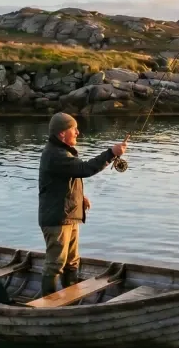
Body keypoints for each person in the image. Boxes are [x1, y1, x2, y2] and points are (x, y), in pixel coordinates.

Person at [39, 112, 127, 297]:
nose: (78, 132)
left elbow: (66, 180)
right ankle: (47, 302)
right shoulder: (55, 154)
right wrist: (111, 153)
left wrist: (80, 197)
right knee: (56, 264)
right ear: (62, 133)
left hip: (68, 215)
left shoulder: (61, 152)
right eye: (74, 129)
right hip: (57, 220)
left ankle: (70, 299)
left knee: (72, 262)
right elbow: (83, 169)